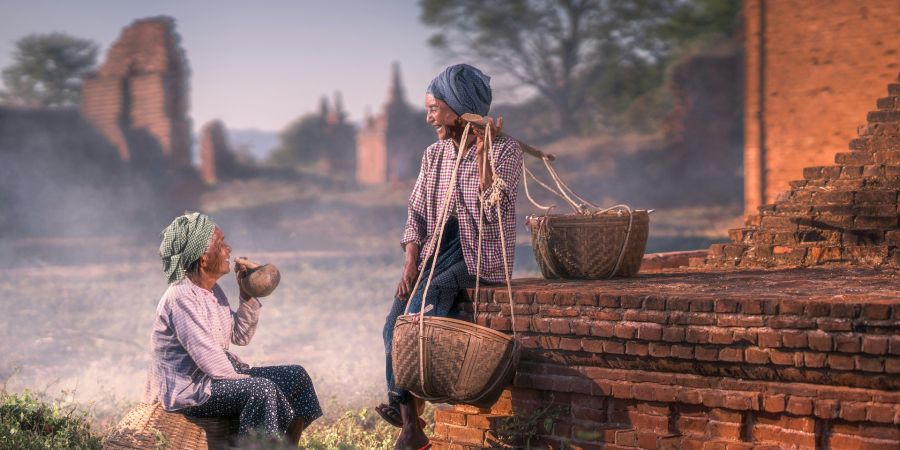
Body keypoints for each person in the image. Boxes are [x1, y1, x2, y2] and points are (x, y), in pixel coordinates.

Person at [377, 64, 523, 450]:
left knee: (420, 316)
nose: (429, 118)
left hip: (478, 253)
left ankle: (410, 422)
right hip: (435, 249)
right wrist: (410, 262)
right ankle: (409, 422)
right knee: (393, 324)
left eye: (434, 109)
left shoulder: (505, 150)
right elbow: (416, 213)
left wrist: (483, 157)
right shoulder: (434, 154)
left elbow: (494, 213)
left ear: (460, 111)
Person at [143, 212, 321, 443]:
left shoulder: (212, 291)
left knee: (296, 376)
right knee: (262, 390)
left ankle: (286, 446)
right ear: (203, 258)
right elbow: (210, 360)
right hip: (190, 389)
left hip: (214, 378)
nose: (229, 249)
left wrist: (246, 293)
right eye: (221, 244)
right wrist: (248, 380)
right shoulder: (181, 297)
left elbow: (240, 335)